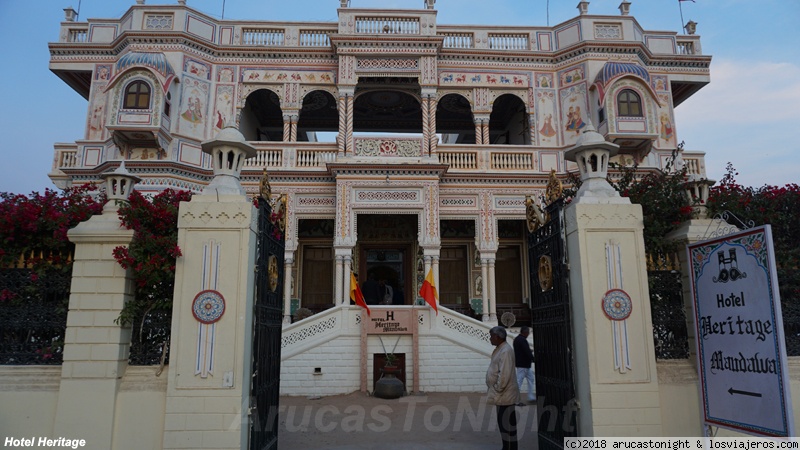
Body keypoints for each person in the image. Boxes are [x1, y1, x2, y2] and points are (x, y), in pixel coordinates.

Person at [487, 326, 520, 450]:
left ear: (497, 337)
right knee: (504, 424)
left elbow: (504, 374)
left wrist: (497, 388)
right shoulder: (500, 349)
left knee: (507, 425)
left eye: (491, 336)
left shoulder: (505, 351)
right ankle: (507, 447)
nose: (490, 339)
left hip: (504, 394)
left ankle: (510, 447)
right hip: (502, 395)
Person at [513, 326, 536, 404]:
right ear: (525, 332)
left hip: (521, 363)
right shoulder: (523, 340)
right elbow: (526, 351)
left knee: (530, 379)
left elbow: (522, 350)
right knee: (520, 381)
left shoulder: (517, 339)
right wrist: (533, 358)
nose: (528, 334)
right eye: (528, 332)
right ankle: (516, 400)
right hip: (524, 364)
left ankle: (530, 396)